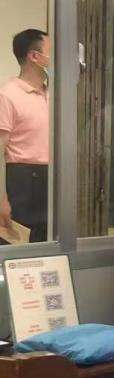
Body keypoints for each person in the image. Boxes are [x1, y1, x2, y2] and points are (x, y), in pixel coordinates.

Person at [0, 28, 51, 240]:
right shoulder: (7, 95)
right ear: (34, 56)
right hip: (23, 181)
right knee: (23, 248)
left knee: (50, 246)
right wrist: (1, 199)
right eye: (51, 50)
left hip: (51, 179)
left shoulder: (53, 94)